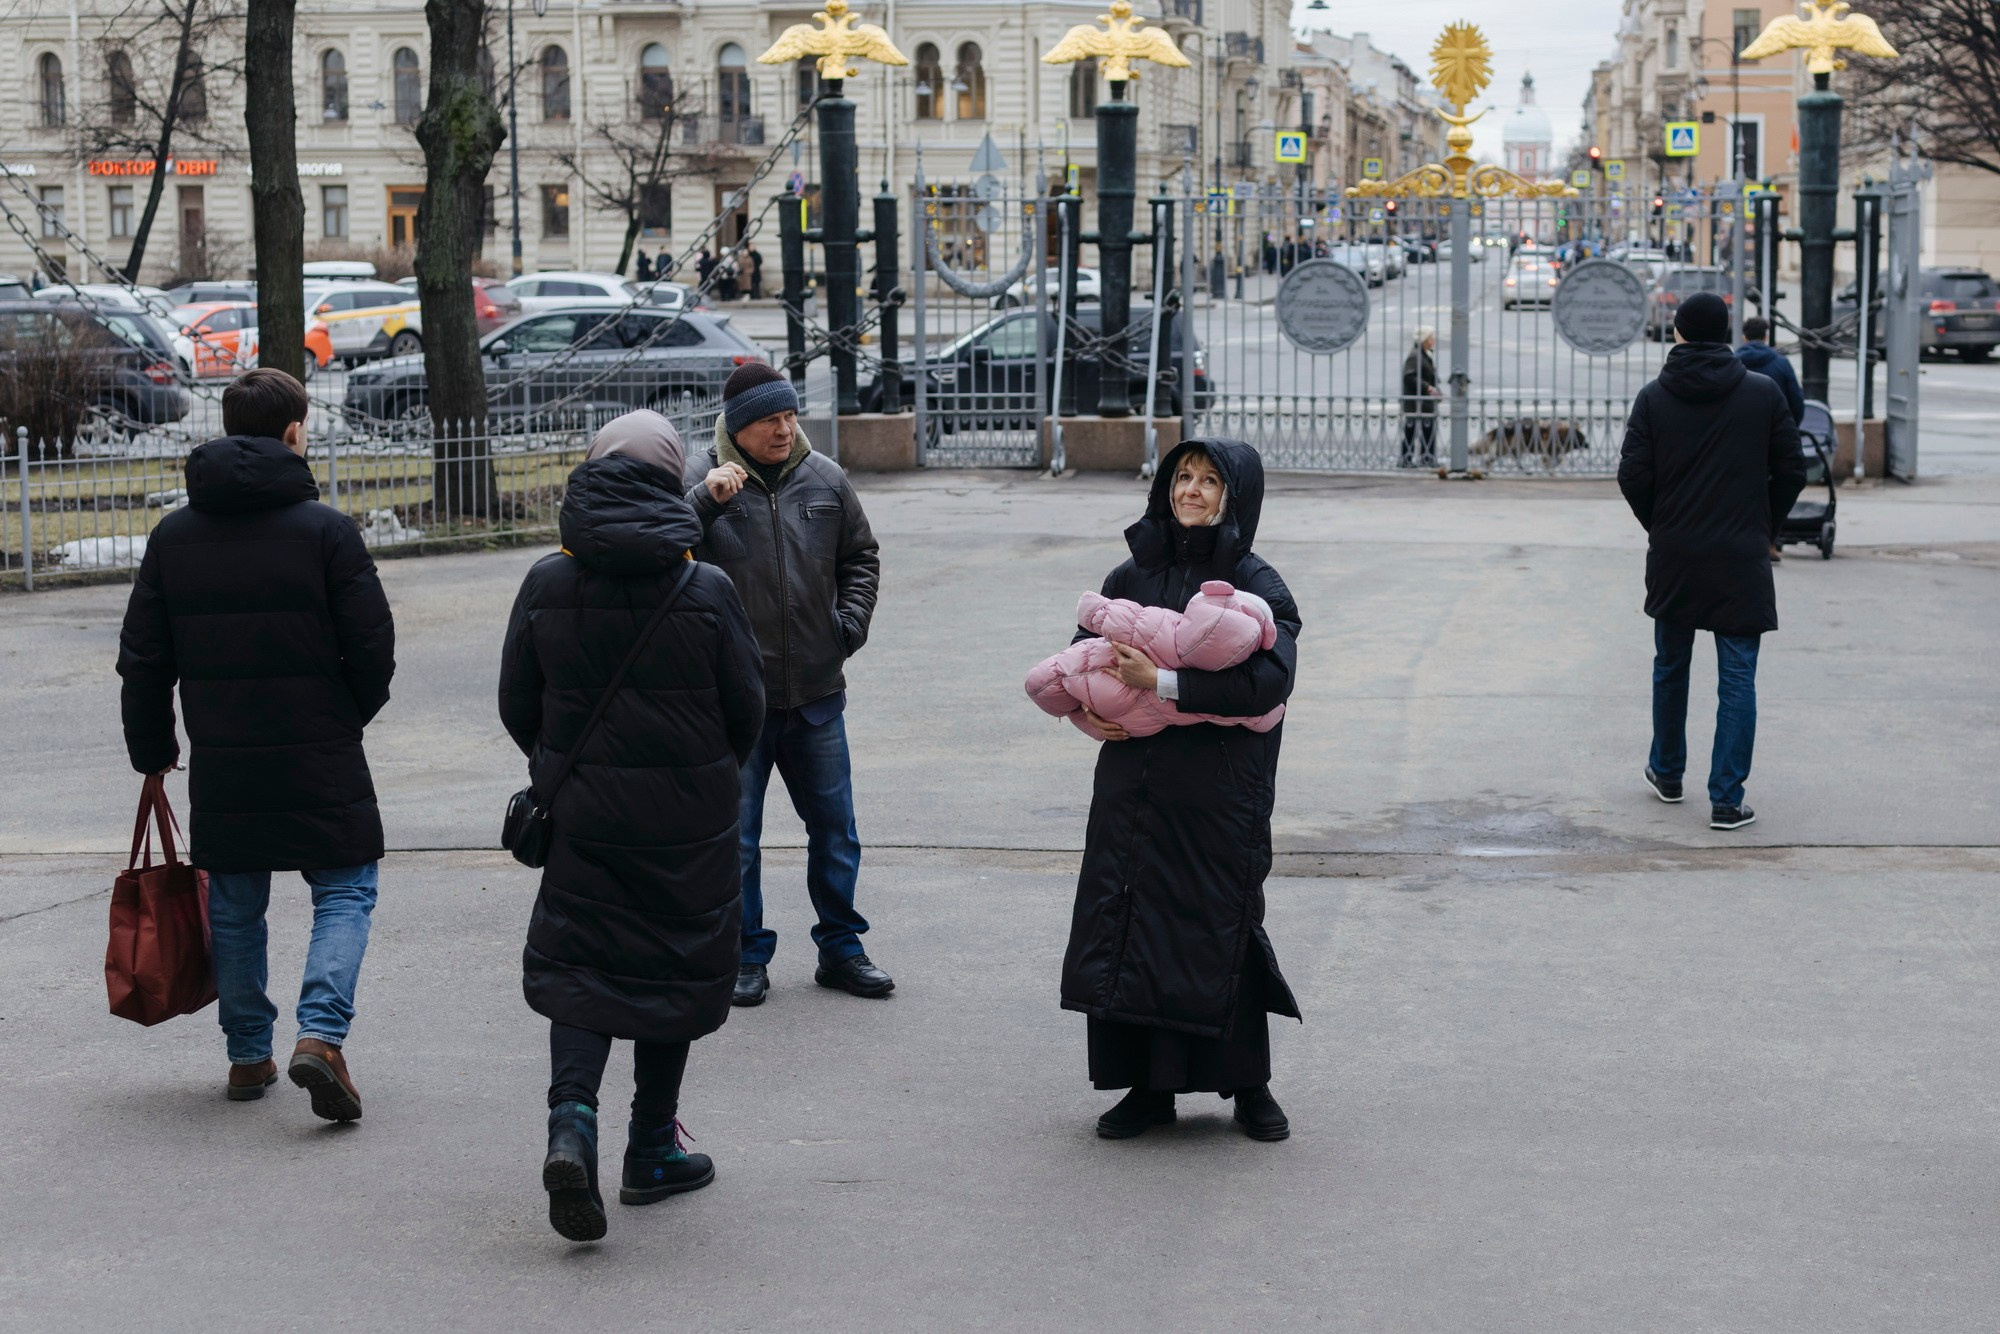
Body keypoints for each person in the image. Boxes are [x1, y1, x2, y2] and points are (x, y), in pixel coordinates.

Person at [499, 410, 765, 1242]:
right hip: (688, 826)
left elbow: (518, 705)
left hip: (585, 819)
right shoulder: (706, 589)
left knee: (583, 962)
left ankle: (571, 1124)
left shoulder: (548, 582)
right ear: (669, 479)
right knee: (672, 969)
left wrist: (565, 763)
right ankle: (651, 1149)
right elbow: (746, 713)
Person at [116, 368, 395, 1120]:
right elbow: (373, 646)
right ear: (295, 434)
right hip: (321, 745)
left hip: (223, 751)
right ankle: (321, 1036)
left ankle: (247, 1056)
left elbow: (143, 658)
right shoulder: (328, 532)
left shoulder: (173, 537)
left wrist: (153, 750)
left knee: (236, 901)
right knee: (345, 887)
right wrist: (346, 714)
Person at [1058, 440, 1302, 1143]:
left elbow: (1268, 682)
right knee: (1131, 923)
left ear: (1236, 496)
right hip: (1135, 786)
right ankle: (1147, 1090)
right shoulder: (1131, 572)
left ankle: (1248, 1086)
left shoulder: (1258, 583)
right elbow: (1080, 652)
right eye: (1182, 477)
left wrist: (1161, 684)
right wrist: (1084, 710)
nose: (1191, 491)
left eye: (1209, 481)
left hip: (1220, 788)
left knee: (1220, 926)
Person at [682, 363, 886, 1007]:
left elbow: (861, 557)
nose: (784, 428)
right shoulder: (703, 481)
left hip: (818, 695)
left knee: (836, 829)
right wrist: (702, 503)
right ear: (739, 427)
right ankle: (745, 955)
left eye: (790, 416)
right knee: (736, 838)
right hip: (736, 703)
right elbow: (664, 553)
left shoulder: (825, 478)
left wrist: (846, 626)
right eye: (770, 419)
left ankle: (842, 948)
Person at [1618, 292, 1808, 832]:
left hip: (1676, 553)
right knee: (1737, 676)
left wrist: (1663, 524)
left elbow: (1632, 475)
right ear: (1727, 333)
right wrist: (1762, 525)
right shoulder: (1762, 392)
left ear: (1678, 332)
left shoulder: (1655, 397)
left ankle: (1668, 772)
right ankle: (1726, 798)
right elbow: (1792, 469)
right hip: (1740, 555)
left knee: (1671, 666)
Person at [1736, 316, 1805, 426]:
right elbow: (1796, 401)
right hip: (1774, 429)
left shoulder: (1733, 363)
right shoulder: (1782, 363)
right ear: (1765, 337)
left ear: (1744, 338)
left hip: (1739, 429)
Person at [1400, 327, 1440, 468]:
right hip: (1416, 402)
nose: (1433, 340)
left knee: (1426, 431)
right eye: (1430, 338)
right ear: (1424, 340)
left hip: (1423, 402)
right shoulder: (1415, 356)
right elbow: (1409, 377)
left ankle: (1426, 457)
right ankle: (1408, 459)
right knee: (1412, 431)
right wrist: (1427, 387)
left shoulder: (1423, 354)